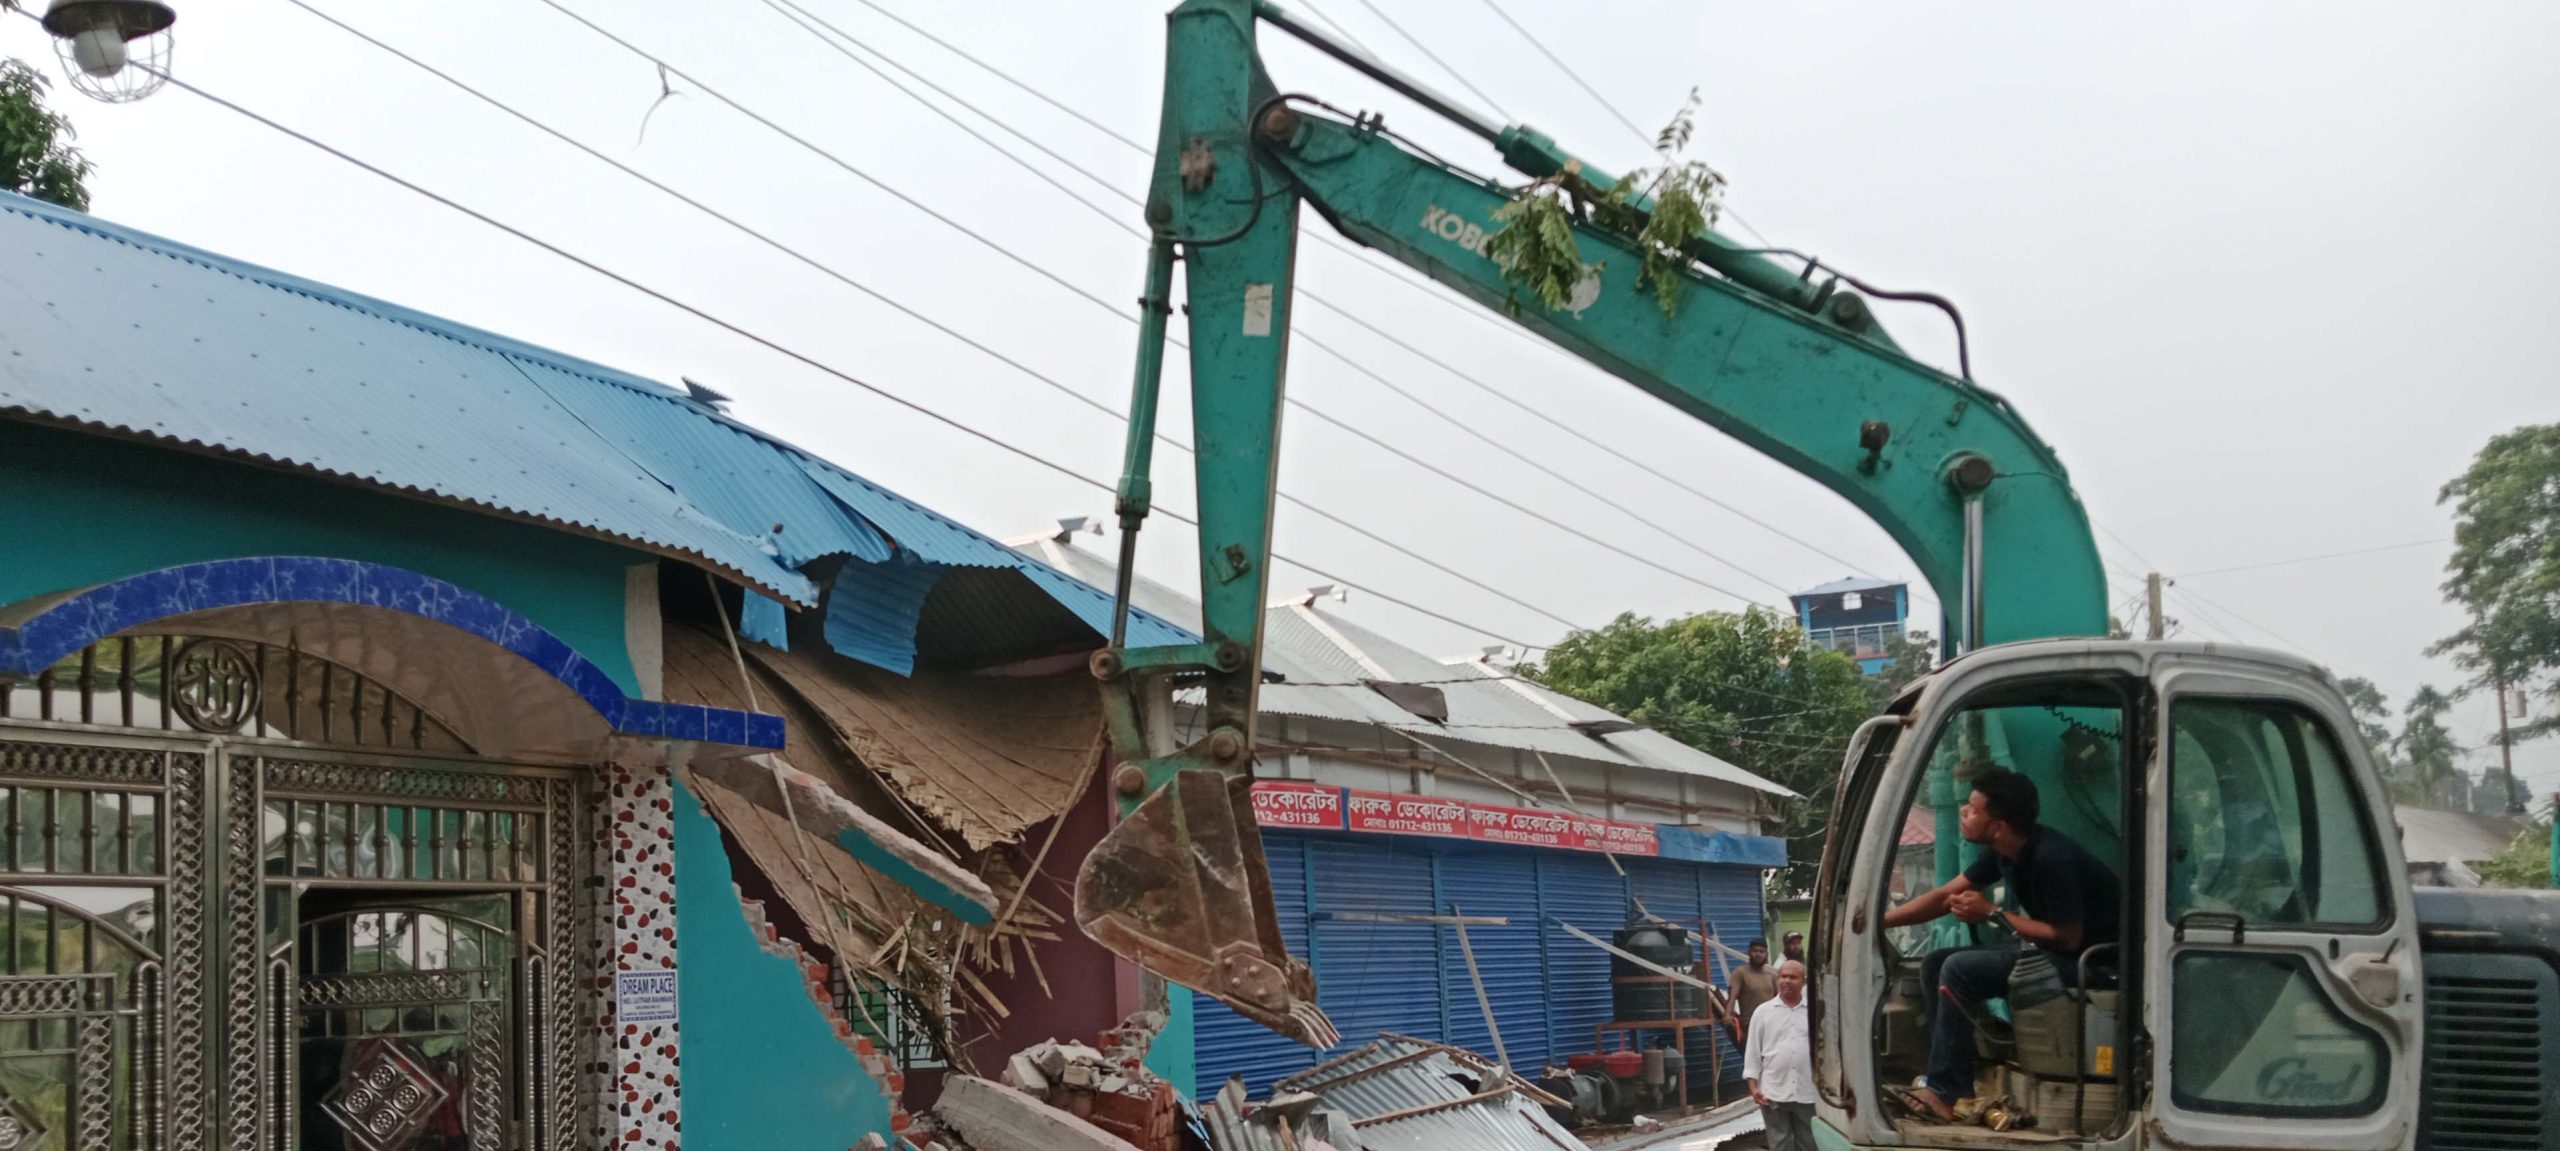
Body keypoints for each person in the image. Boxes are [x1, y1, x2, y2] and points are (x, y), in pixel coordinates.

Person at [1881, 768, 2119, 1121]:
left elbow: (2068, 936)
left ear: (1998, 826)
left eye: (1973, 809)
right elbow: (1945, 896)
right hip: (2055, 953)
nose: (1964, 812)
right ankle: (1948, 1077)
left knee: (1959, 970)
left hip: (2092, 963)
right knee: (1935, 962)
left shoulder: (2053, 859)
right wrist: (1877, 921)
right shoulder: (2002, 852)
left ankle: (1946, 1093)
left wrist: (1992, 912)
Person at [1745, 960, 1816, 1151]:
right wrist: (1753, 1087)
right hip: (1773, 1091)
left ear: (1804, 981)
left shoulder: (1814, 1012)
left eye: (1793, 977)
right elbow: (1752, 1051)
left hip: (1807, 1091)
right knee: (1779, 1144)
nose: (1787, 981)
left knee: (1809, 1144)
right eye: (1783, 976)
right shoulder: (1763, 1012)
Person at [1725, 938, 1778, 1042]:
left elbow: (1779, 997)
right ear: (1749, 953)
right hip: (1750, 1025)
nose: (1758, 954)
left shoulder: (1772, 974)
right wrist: (1727, 1014)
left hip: (1771, 1023)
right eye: (1755, 951)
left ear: (1766, 954)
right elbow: (1732, 996)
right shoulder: (1740, 973)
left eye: (1761, 952)